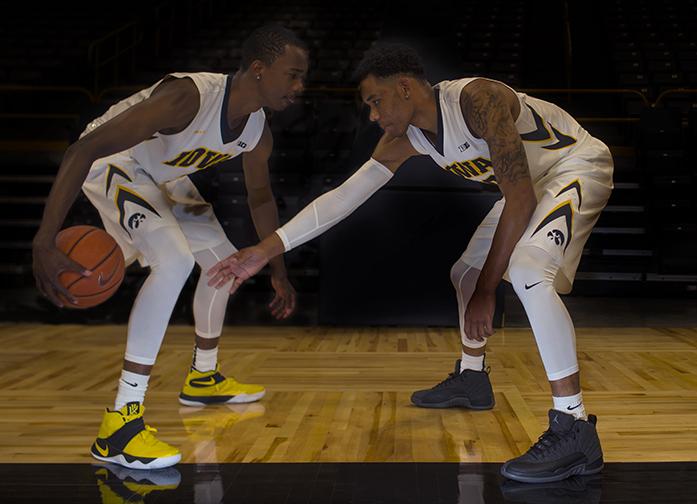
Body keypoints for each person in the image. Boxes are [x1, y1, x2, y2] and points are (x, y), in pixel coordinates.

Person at [207, 43, 613, 483]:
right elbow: (342, 198)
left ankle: (573, 426)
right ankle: (473, 378)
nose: (373, 116)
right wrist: (264, 251)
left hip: (574, 167)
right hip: (531, 186)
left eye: (375, 102)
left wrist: (487, 292)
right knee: (466, 273)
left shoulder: (479, 101)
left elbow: (518, 200)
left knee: (528, 272)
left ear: (403, 87)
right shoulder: (406, 139)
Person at [31, 24, 308, 469]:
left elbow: (260, 198)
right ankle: (121, 424)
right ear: (259, 69)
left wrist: (277, 269)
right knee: (175, 261)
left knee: (225, 263)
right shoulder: (190, 96)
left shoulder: (256, 130)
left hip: (162, 177)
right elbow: (83, 149)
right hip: (111, 164)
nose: (299, 87)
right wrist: (44, 239)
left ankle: (203, 375)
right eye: (293, 75)